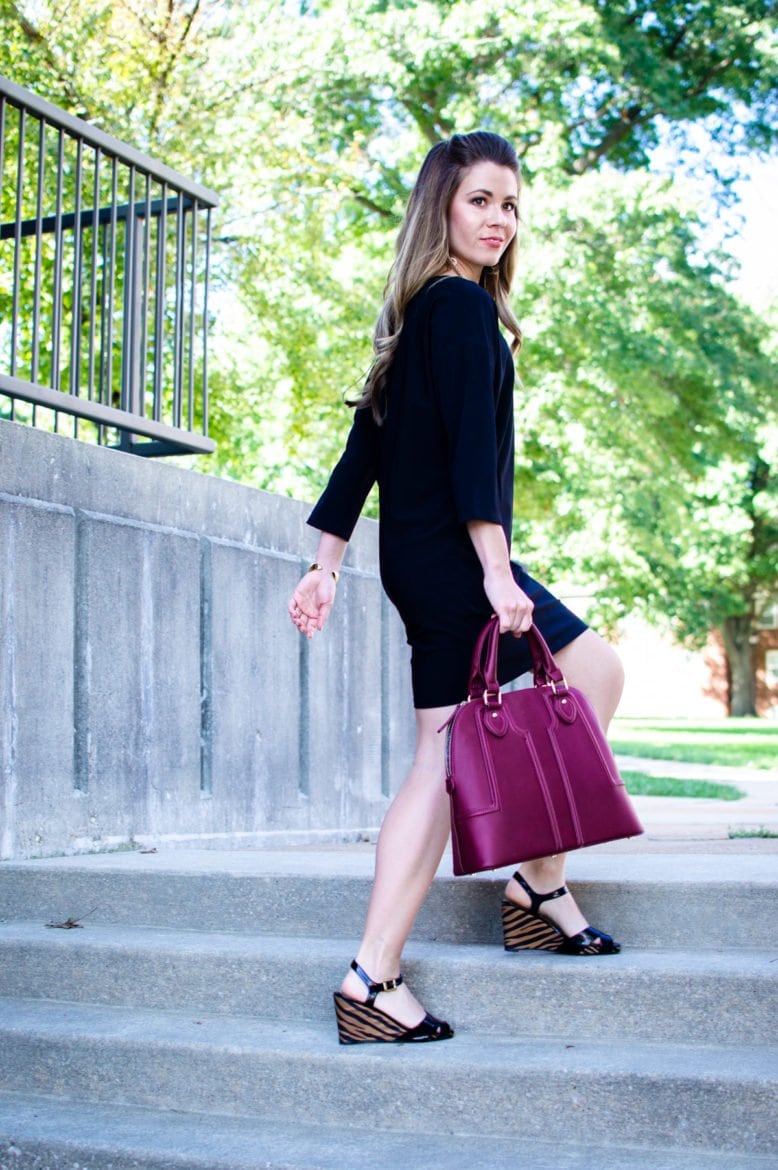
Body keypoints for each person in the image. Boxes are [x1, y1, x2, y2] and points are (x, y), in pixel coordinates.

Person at [288, 131, 625, 1046]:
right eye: (481, 199)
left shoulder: (416, 314)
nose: (500, 220)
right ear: (442, 204)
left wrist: (325, 565)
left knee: (457, 749)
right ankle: (389, 963)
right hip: (455, 561)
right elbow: (473, 452)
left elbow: (362, 451)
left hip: (421, 558)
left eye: (511, 205)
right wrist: (496, 570)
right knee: (585, 676)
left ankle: (522, 892)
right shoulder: (460, 311)